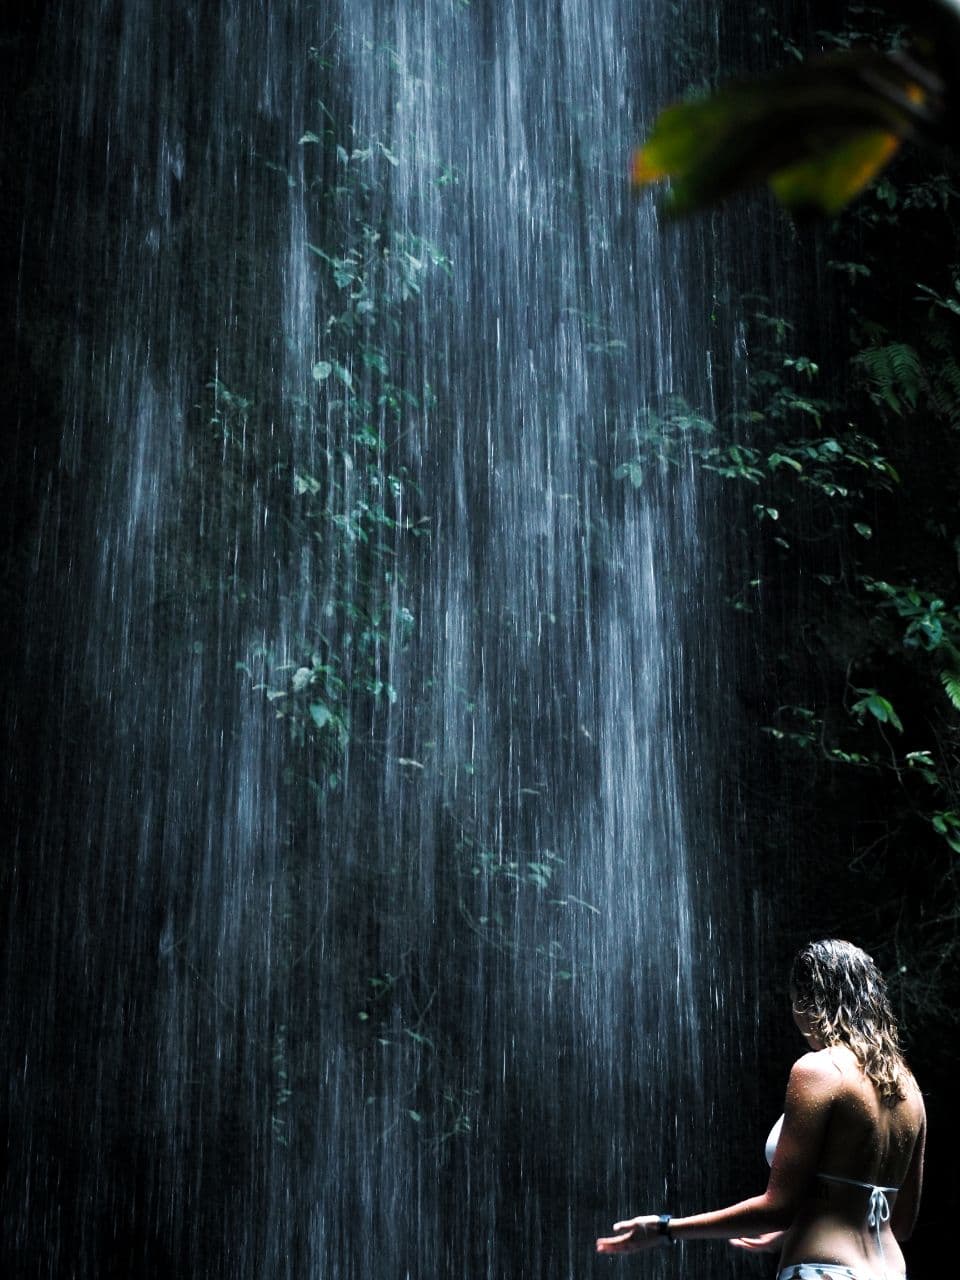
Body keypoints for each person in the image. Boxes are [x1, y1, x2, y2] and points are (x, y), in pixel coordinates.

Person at [596, 939, 926, 1280]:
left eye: (795, 1001)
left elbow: (776, 1209)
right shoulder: (908, 1088)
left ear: (808, 1001)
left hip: (825, 1272)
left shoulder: (820, 1070)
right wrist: (803, 1226)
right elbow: (900, 1225)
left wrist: (666, 1228)